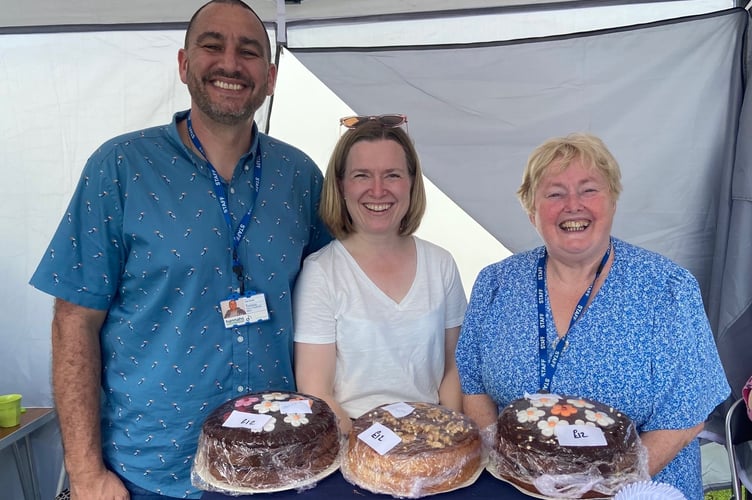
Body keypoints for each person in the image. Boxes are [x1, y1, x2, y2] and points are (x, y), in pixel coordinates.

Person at [29, 1, 330, 498]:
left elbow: (337, 297)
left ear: (271, 76)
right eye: (212, 46)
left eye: (249, 51)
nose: (230, 63)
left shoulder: (299, 177)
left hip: (279, 466)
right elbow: (73, 321)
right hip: (154, 472)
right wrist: (84, 474)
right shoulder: (119, 168)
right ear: (184, 63)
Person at [455, 132, 730, 500]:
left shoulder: (667, 289)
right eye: (554, 193)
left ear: (613, 200)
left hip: (633, 490)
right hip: (514, 487)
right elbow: (472, 384)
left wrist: (601, 491)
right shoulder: (496, 283)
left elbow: (686, 414)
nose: (573, 205)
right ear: (531, 208)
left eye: (589, 190)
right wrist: (505, 469)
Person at [293, 115, 467, 433]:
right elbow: (316, 390)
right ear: (341, 184)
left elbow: (456, 367)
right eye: (362, 175)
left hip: (430, 434)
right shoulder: (321, 272)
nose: (377, 190)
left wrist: (441, 434)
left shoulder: (441, 265)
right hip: (351, 441)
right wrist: (372, 453)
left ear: (412, 183)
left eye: (392, 175)